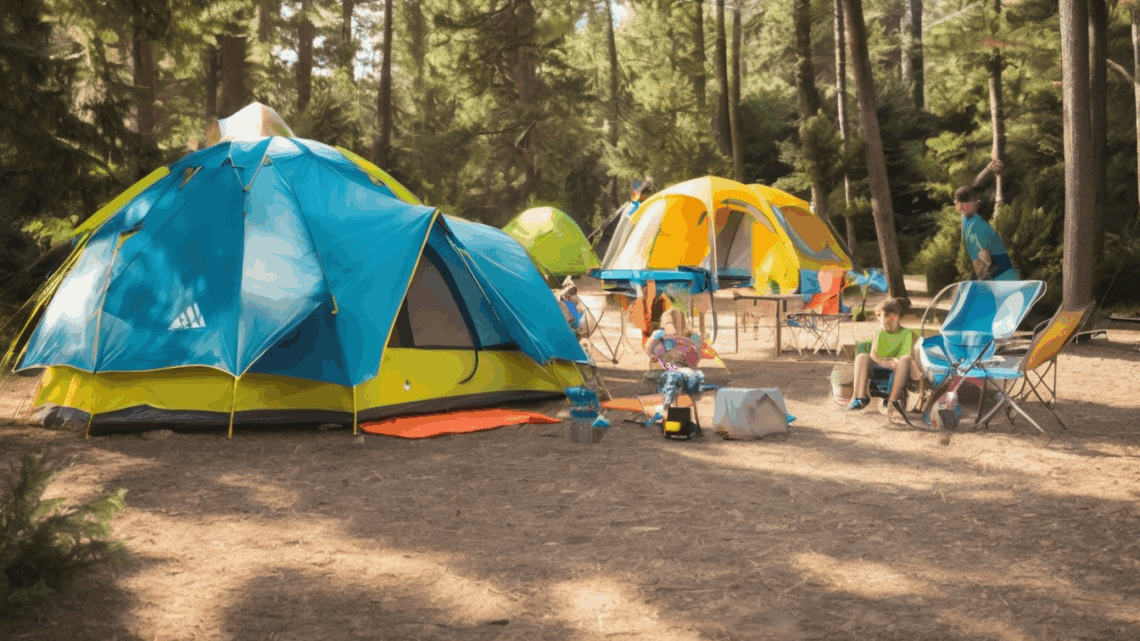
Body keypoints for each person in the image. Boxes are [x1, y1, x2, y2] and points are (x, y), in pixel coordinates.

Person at [844, 297, 921, 422]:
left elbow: (905, 355)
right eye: (883, 318)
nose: (886, 322)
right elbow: (874, 354)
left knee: (905, 360)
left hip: (897, 367)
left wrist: (892, 362)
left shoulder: (906, 333)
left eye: (890, 319)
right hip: (881, 364)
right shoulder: (880, 332)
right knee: (862, 357)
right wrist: (883, 362)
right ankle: (859, 397)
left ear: (897, 317)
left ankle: (892, 401)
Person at [957, 159, 1019, 281]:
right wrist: (989, 168)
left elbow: (976, 184)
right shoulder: (972, 219)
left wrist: (990, 169)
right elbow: (975, 184)